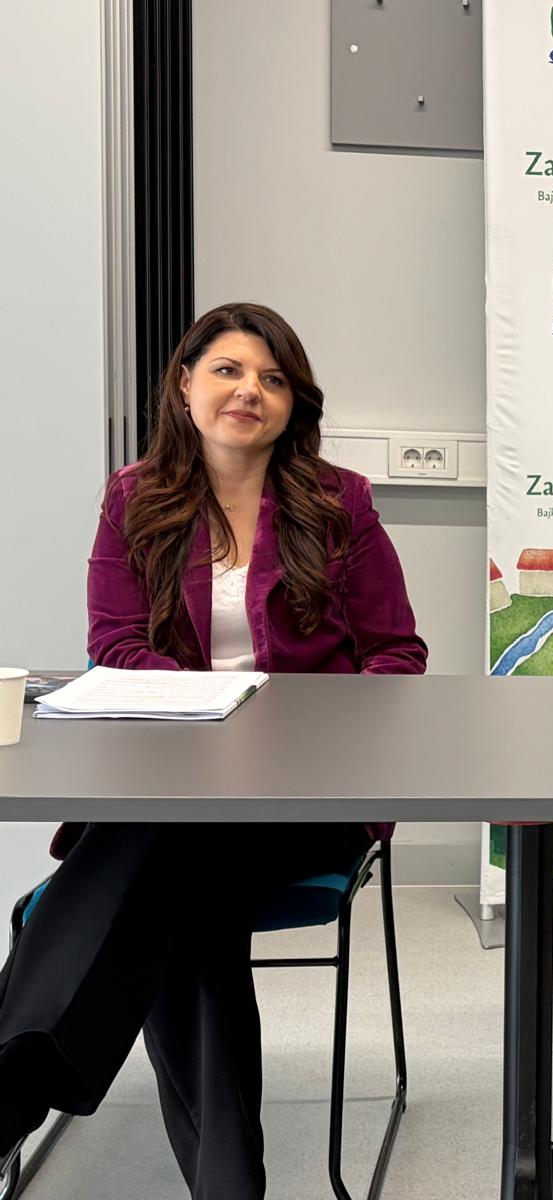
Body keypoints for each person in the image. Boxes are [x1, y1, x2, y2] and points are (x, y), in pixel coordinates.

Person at [0, 302, 436, 1199]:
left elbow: (397, 655)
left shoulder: (340, 503)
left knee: (160, 863)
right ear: (185, 383)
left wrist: (289, 728)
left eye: (273, 379)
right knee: (186, 893)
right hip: (174, 790)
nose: (249, 392)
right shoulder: (135, 499)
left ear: (294, 402)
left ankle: (13, 1085)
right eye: (229, 370)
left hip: (305, 798)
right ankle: (229, 1185)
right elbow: (116, 645)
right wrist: (205, 715)